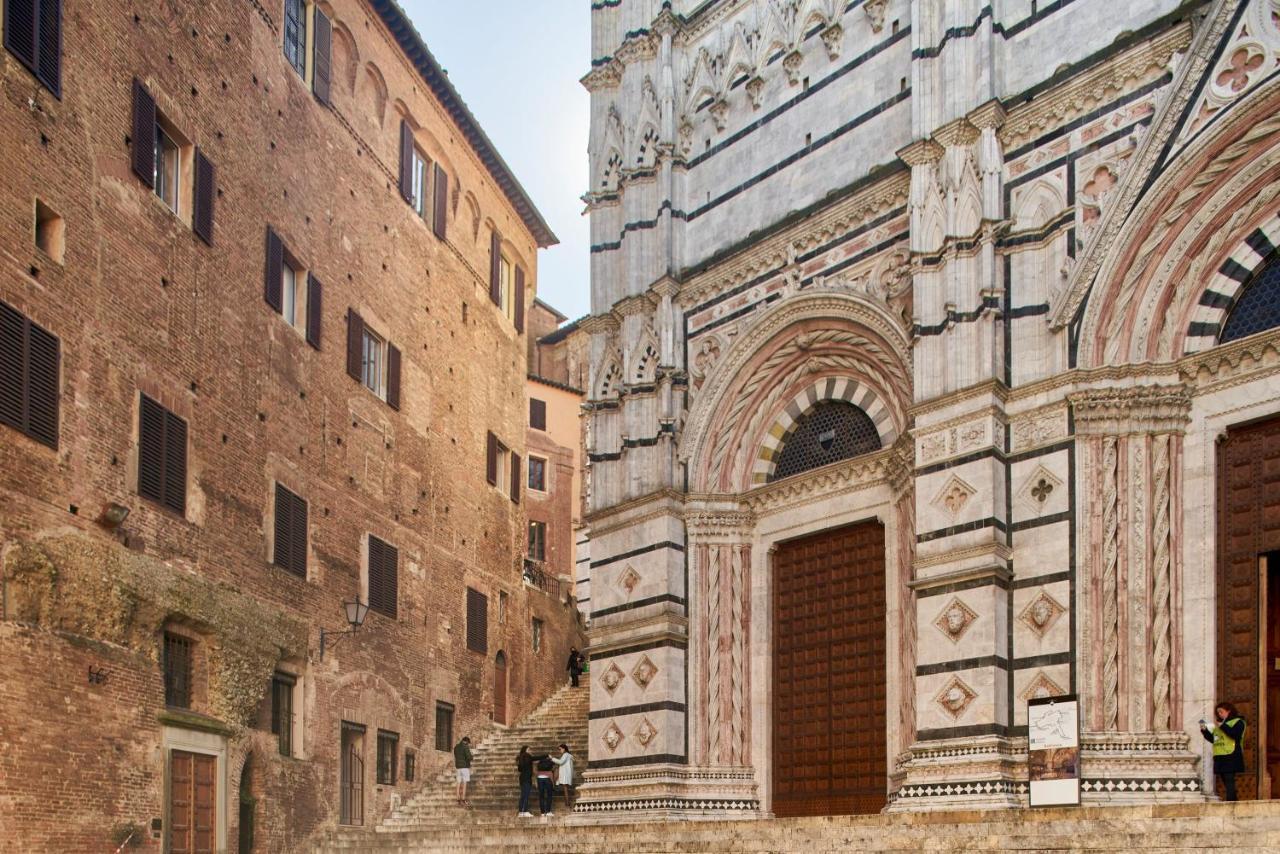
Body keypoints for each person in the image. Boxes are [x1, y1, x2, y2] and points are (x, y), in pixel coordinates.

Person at [1200, 702, 1246, 801]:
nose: (1219, 714)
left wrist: (1223, 726)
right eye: (1218, 712)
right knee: (1225, 781)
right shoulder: (1220, 724)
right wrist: (1204, 730)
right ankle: (1234, 802)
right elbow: (1214, 739)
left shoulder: (1238, 722)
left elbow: (1235, 735)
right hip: (1220, 756)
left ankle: (1230, 803)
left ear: (1229, 711)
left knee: (1229, 780)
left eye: (1221, 712)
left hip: (1231, 756)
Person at [515, 745, 547, 818]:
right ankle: (525, 811)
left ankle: (521, 812)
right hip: (527, 778)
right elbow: (535, 758)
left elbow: (519, 769)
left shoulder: (521, 758)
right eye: (529, 749)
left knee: (523, 795)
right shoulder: (527, 756)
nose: (530, 751)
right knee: (526, 794)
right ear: (525, 750)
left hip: (522, 778)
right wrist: (546, 755)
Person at [550, 742, 576, 811]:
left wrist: (552, 758)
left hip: (565, 774)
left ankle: (567, 803)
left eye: (560, 749)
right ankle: (567, 803)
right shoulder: (568, 755)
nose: (560, 750)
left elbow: (561, 762)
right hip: (566, 774)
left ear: (564, 749)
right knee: (565, 789)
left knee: (565, 789)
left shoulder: (566, 755)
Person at [535, 752, 557, 819]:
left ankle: (542, 812)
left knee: (541, 796)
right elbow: (554, 768)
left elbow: (535, 766)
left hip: (539, 778)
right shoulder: (550, 761)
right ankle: (548, 811)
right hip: (548, 778)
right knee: (549, 795)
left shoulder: (539, 762)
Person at [453, 736, 472, 806]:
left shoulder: (456, 747)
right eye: (468, 743)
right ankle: (463, 799)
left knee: (458, 783)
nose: (468, 744)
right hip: (465, 767)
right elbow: (469, 757)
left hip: (458, 767)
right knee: (464, 783)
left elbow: (456, 756)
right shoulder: (465, 747)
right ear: (466, 741)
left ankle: (457, 799)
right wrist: (471, 757)